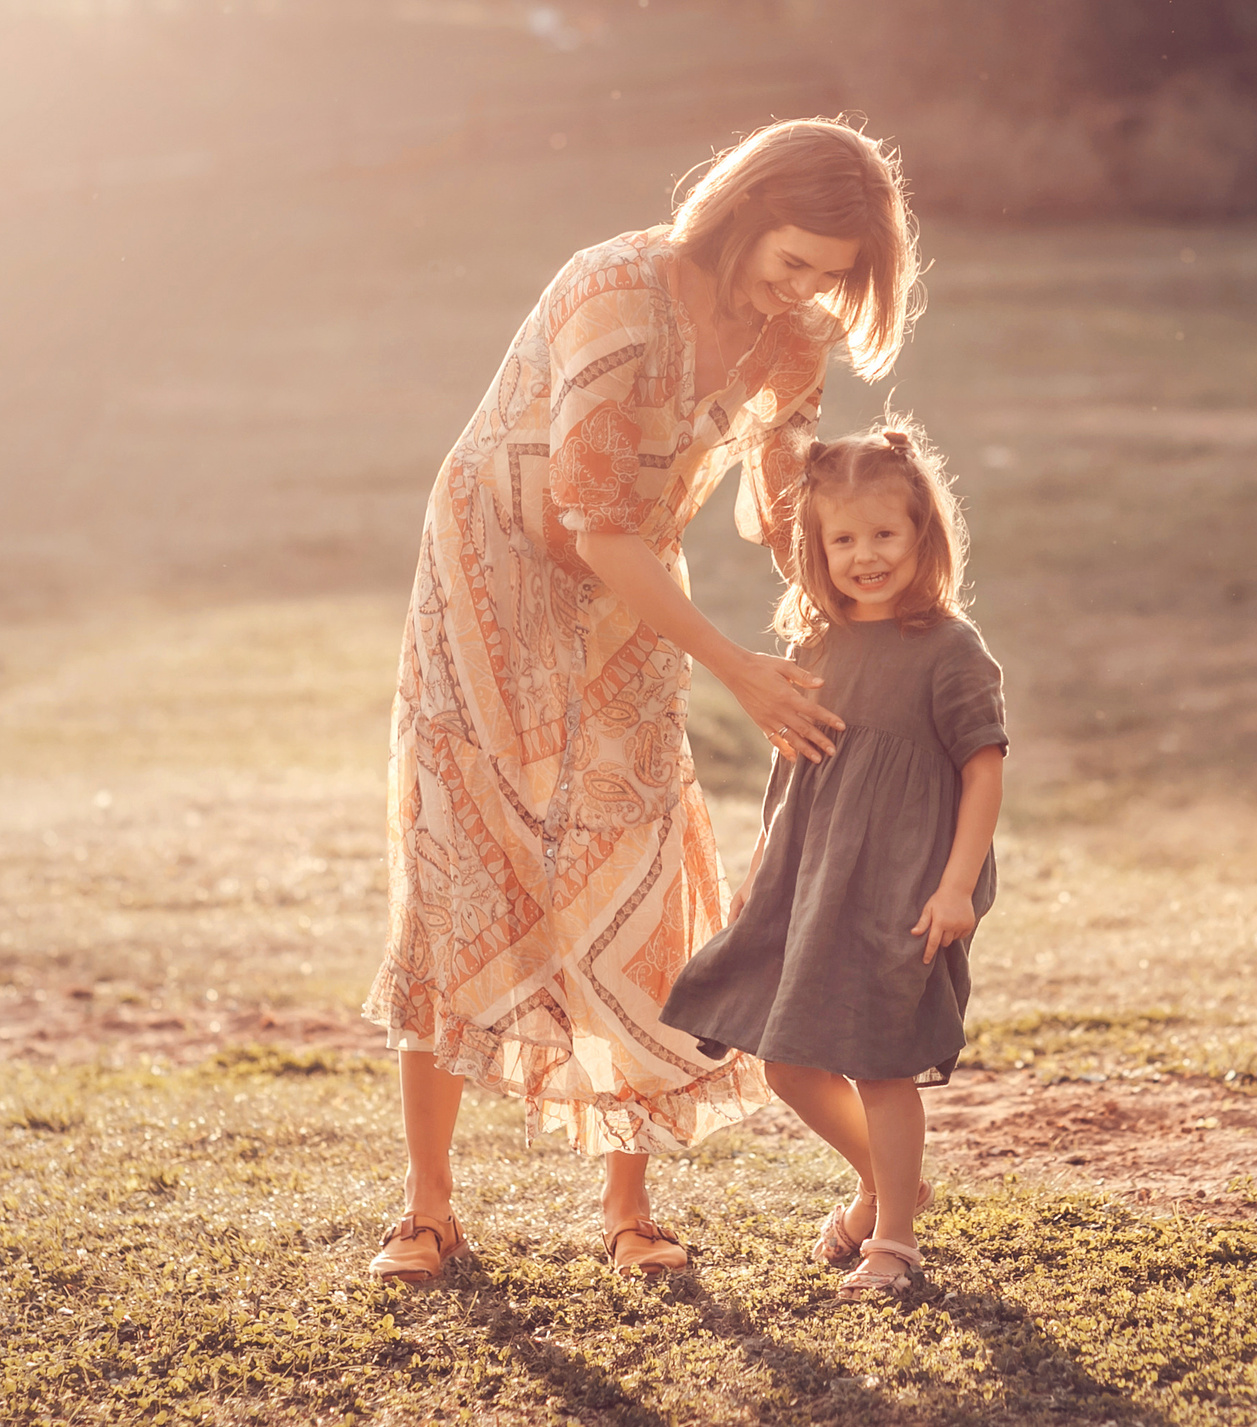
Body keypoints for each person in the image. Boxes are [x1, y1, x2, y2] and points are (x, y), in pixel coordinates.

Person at [362, 118, 922, 1284]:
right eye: (794, 260)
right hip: (492, 589)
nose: (805, 289)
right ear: (741, 209)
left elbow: (775, 505)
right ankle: (427, 1211)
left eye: (829, 275)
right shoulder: (618, 290)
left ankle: (629, 1213)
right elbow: (596, 523)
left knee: (641, 882)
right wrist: (737, 671)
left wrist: (853, 586)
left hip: (625, 603)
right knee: (461, 868)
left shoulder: (791, 339)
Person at [659, 419, 1007, 1302]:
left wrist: (958, 884)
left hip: (902, 885)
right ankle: (894, 1182)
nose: (865, 554)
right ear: (815, 545)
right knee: (789, 1063)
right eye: (842, 537)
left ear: (923, 534)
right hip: (809, 883)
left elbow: (984, 768)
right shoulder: (814, 641)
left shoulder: (950, 651)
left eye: (884, 533)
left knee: (882, 1061)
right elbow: (796, 776)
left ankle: (892, 1238)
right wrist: (761, 874)